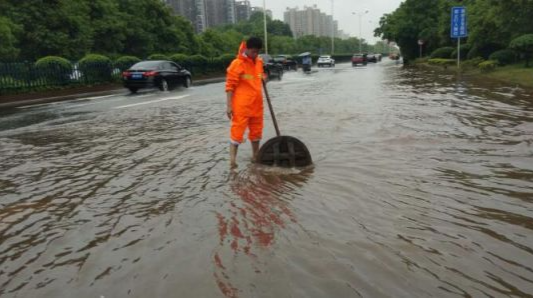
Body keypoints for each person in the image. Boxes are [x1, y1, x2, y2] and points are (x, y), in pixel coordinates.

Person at [225, 37, 265, 168]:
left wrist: (264, 78)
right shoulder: (237, 64)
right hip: (242, 105)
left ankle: (255, 157)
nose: (255, 54)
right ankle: (232, 162)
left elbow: (260, 76)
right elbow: (230, 86)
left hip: (257, 105)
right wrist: (229, 106)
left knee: (256, 132)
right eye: (253, 51)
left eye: (258, 52)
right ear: (247, 49)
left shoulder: (259, 62)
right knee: (237, 133)